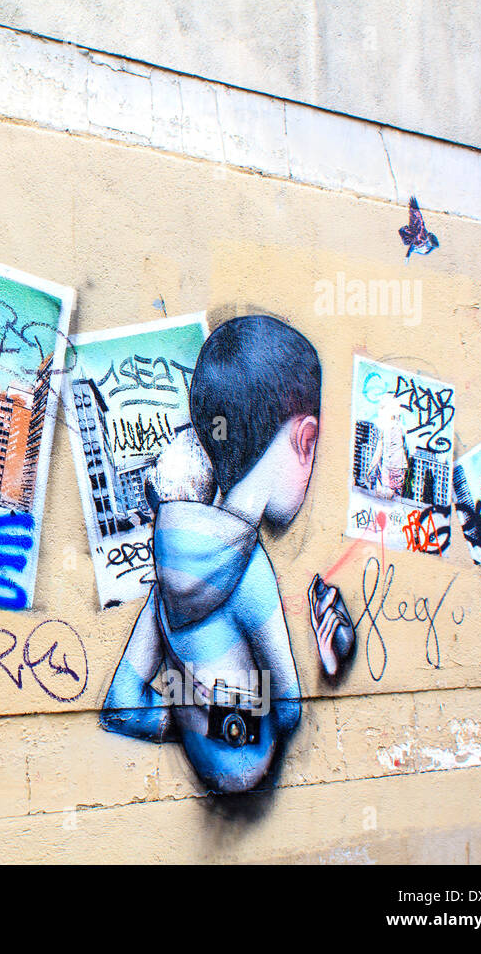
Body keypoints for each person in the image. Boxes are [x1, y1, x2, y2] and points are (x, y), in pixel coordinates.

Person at [99, 315, 338, 793]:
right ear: (305, 439)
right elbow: (288, 710)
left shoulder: (165, 578)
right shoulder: (251, 572)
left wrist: (194, 717)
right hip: (256, 784)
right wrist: (328, 659)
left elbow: (122, 706)